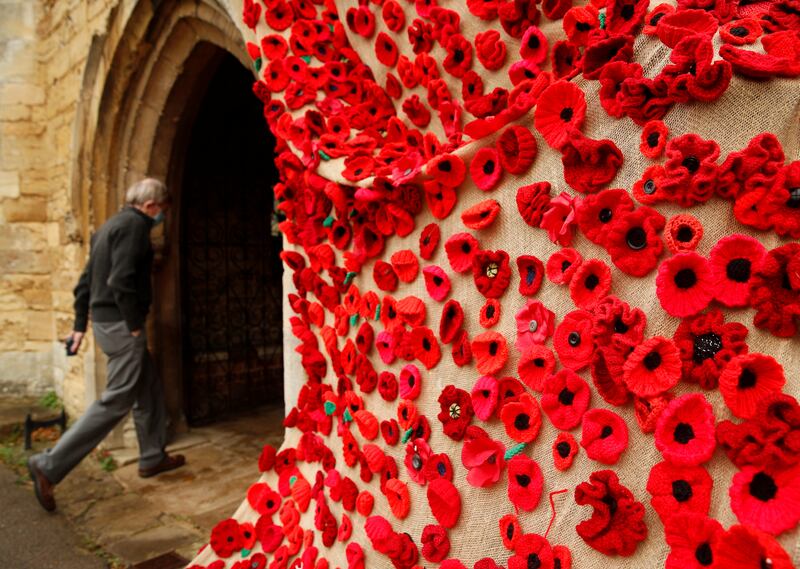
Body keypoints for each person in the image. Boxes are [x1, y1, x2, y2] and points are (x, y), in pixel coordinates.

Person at [28, 178, 185, 512]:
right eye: (162, 211)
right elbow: (120, 281)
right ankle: (49, 465)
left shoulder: (107, 228)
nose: (161, 219)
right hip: (120, 325)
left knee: (149, 387)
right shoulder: (133, 228)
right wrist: (132, 325)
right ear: (151, 206)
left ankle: (152, 456)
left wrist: (78, 327)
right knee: (116, 400)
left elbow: (85, 282)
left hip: (104, 324)